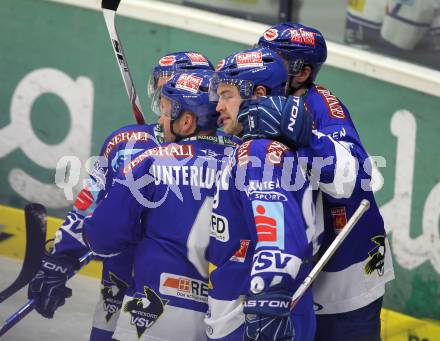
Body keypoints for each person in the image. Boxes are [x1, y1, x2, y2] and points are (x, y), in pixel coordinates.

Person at [27, 51, 214, 341]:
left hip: (175, 290)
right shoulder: (128, 143)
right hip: (129, 285)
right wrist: (62, 258)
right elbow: (92, 204)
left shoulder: (139, 147)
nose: (162, 106)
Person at [205, 46, 357, 341]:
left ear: (259, 94)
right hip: (244, 312)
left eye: (227, 95)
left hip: (255, 317)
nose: (218, 107)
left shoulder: (259, 151)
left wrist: (268, 297)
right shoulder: (254, 148)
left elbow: (277, 231)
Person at [258, 22, 395, 341]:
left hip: (349, 272)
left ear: (302, 73)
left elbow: (359, 174)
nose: (262, 66)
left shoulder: (322, 106)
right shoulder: (264, 100)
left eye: (272, 60)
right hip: (307, 272)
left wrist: (305, 134)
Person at [82, 69, 236, 341]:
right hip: (229, 319)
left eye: (165, 112)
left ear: (187, 122)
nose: (161, 120)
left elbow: (102, 238)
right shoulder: (250, 160)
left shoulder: (149, 160)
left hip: (157, 313)